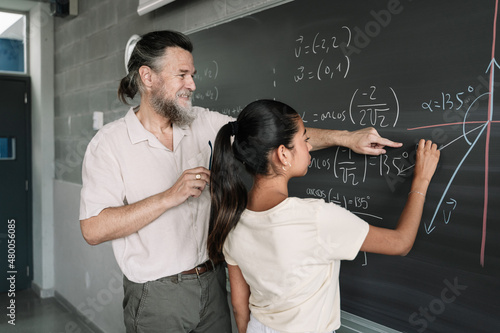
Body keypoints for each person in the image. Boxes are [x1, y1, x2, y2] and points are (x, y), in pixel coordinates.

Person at [79, 30, 402, 333]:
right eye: (182, 75)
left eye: (193, 75)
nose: (192, 84)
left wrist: (346, 138)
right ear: (148, 77)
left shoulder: (203, 122)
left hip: (213, 282)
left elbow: (273, 138)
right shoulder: (109, 145)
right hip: (156, 296)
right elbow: (93, 229)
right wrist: (168, 197)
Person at [208, 99, 440, 333]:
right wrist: (421, 180)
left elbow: (239, 306)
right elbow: (401, 242)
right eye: (304, 139)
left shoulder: (231, 218)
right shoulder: (315, 218)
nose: (309, 146)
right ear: (283, 154)